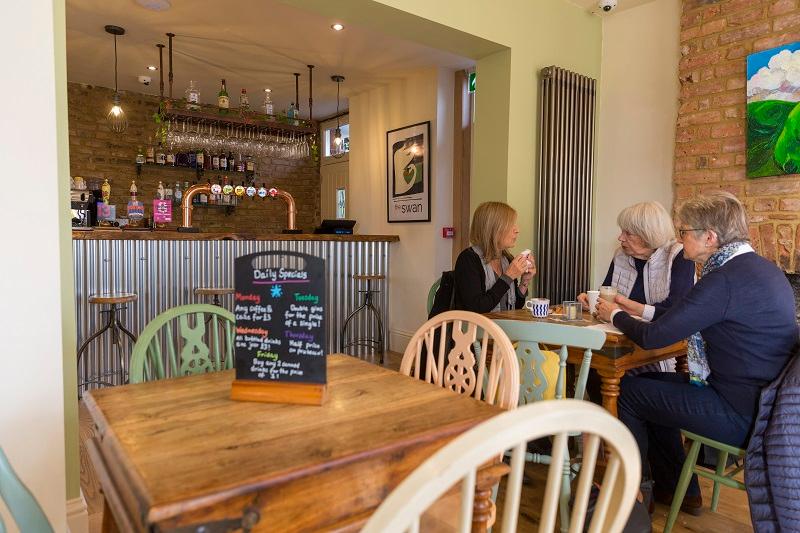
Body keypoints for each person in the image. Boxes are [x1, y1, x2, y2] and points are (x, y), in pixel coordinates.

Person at [596, 192, 798, 513]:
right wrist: (628, 306)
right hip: (768, 407)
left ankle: (634, 497)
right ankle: (674, 487)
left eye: (684, 232)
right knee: (651, 385)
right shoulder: (761, 269)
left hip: (741, 415)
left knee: (630, 392)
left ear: (709, 237)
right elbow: (681, 319)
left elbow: (653, 338)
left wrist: (614, 316)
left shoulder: (722, 281)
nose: (680, 239)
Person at [453, 201, 536, 313]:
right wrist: (508, 276)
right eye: (511, 225)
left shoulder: (507, 258)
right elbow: (476, 308)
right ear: (493, 229)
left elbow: (514, 308)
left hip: (501, 327)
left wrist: (524, 281)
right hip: (476, 328)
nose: (517, 230)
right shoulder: (468, 259)